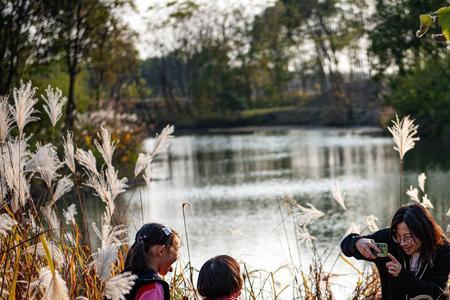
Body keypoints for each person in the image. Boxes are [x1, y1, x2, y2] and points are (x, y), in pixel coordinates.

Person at [341, 204, 450, 299]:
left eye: (408, 237)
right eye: (398, 236)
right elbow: (346, 246)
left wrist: (401, 274)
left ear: (423, 232)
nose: (402, 243)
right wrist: (357, 241)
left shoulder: (442, 249)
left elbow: (434, 292)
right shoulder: (388, 240)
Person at [124, 223, 180, 300]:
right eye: (171, 263)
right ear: (161, 251)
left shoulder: (123, 279)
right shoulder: (153, 288)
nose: (171, 269)